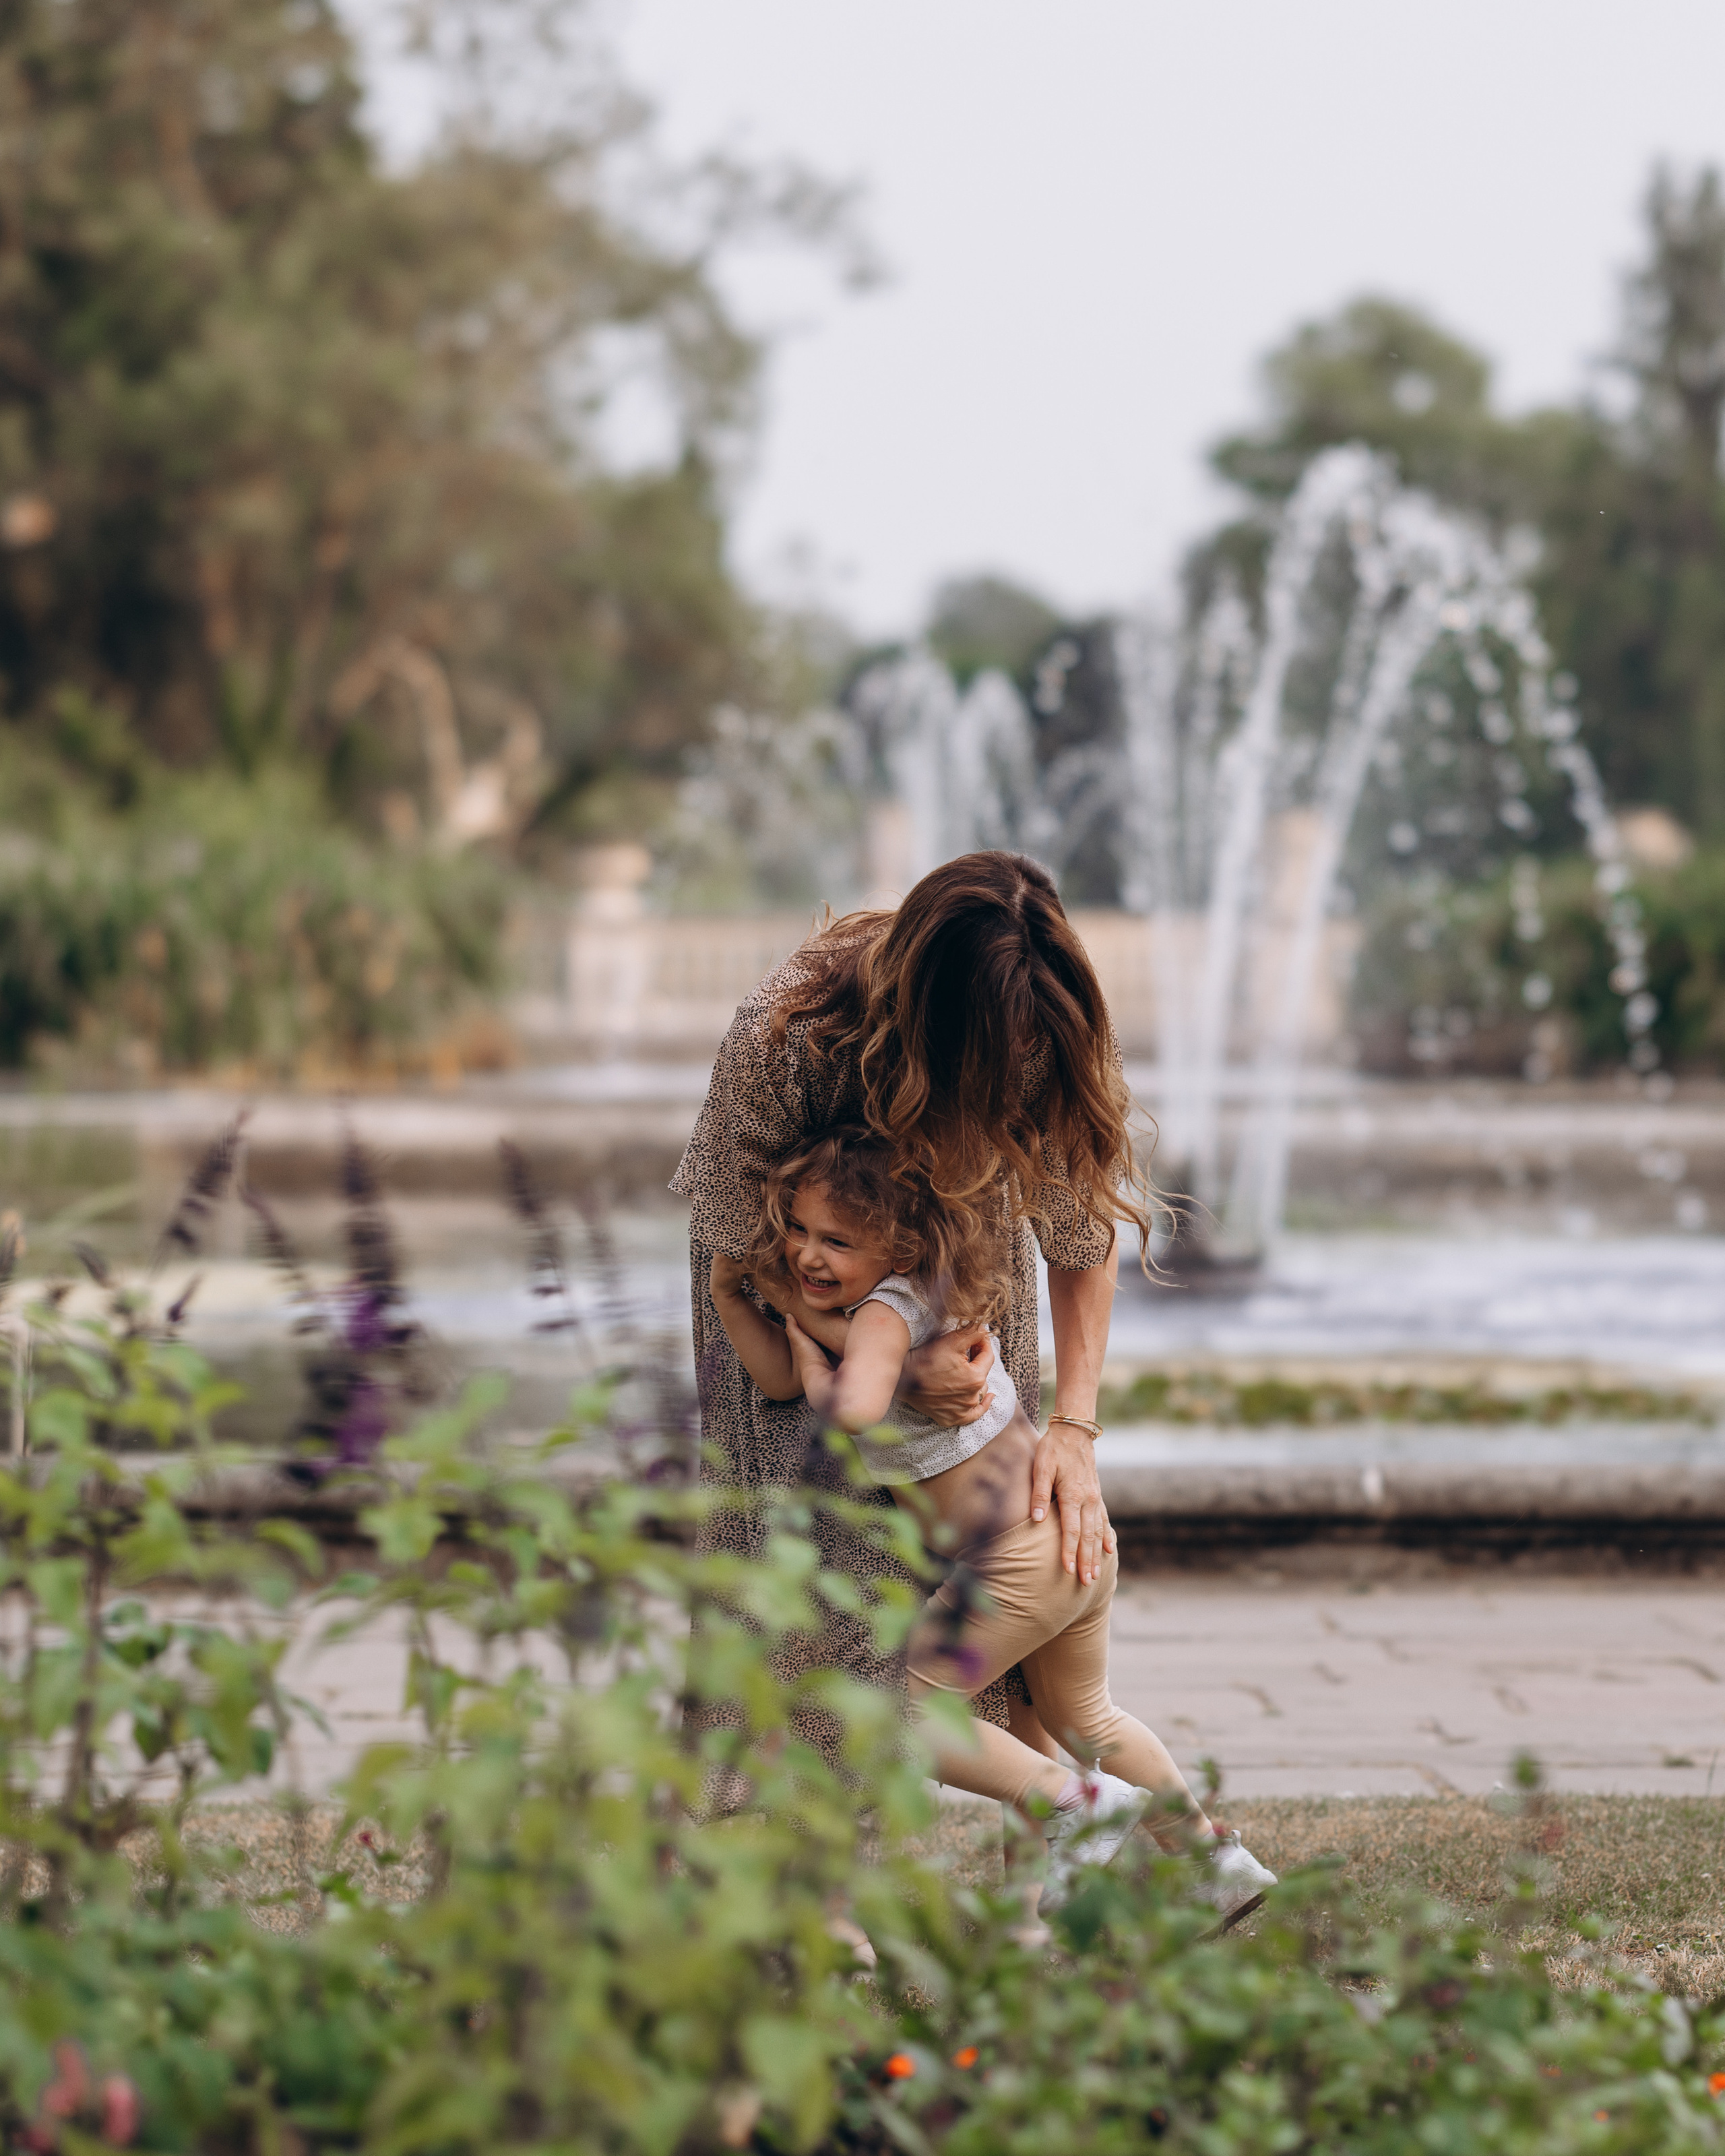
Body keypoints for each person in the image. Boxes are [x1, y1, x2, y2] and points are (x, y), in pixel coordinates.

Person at [708, 1125, 1276, 1924]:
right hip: (1067, 1541)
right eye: (796, 1230)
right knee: (1090, 1718)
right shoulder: (888, 1301)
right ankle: (1216, 1860)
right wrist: (736, 1297)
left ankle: (1073, 1799)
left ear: (900, 1246)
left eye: (836, 1239)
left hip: (1015, 1556)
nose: (807, 1255)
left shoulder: (884, 1314)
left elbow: (851, 1408)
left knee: (912, 1711)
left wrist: (810, 1350)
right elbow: (774, 1374)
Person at [672, 851, 1133, 1760]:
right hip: (786, 1294)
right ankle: (805, 1875)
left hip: (959, 1282)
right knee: (802, 1583)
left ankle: (1044, 1873)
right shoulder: (784, 1032)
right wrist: (864, 1347)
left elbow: (1082, 1238)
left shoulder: (1042, 1020)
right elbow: (738, 1246)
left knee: (998, 1556)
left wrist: (1074, 1429)